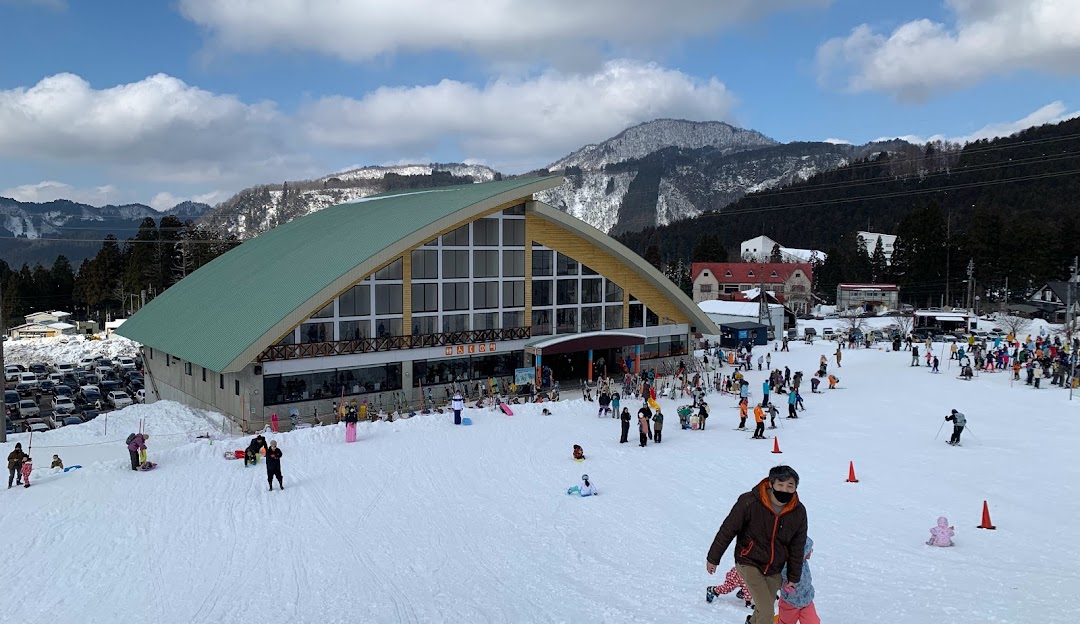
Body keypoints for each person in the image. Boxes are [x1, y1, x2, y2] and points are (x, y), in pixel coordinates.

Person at [706, 465, 808, 624]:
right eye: (780, 485)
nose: (785, 489)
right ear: (772, 484)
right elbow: (728, 529)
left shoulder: (798, 512)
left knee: (761, 609)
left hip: (775, 568)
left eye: (790, 486)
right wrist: (713, 558)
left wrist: (793, 576)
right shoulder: (750, 502)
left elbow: (797, 546)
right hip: (749, 561)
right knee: (767, 612)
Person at [778, 537, 818, 624]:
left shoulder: (803, 563)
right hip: (790, 602)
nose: (811, 551)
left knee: (813, 621)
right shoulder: (788, 564)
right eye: (810, 549)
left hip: (806, 601)